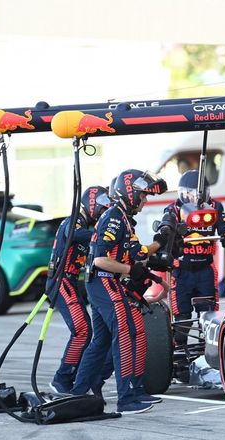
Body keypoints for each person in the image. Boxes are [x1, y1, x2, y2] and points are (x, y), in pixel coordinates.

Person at [71, 169, 168, 415]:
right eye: (143, 195)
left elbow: (139, 254)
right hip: (102, 281)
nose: (145, 201)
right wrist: (130, 270)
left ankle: (79, 392)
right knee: (127, 333)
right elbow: (100, 260)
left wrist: (161, 242)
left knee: (102, 340)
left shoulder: (123, 219)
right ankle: (126, 398)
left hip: (106, 282)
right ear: (130, 193)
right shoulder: (114, 217)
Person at [47, 185, 112, 395]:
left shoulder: (86, 224)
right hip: (60, 281)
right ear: (92, 205)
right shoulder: (75, 220)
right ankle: (62, 378)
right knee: (82, 330)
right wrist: (100, 233)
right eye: (102, 210)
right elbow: (73, 233)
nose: (103, 215)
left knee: (87, 331)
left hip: (72, 282)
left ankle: (74, 375)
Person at [165, 170, 225, 347]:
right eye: (190, 194)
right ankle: (180, 355)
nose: (195, 198)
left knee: (209, 316)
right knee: (182, 318)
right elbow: (164, 232)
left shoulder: (215, 207)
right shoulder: (173, 208)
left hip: (205, 269)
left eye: (198, 194)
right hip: (181, 270)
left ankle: (209, 352)